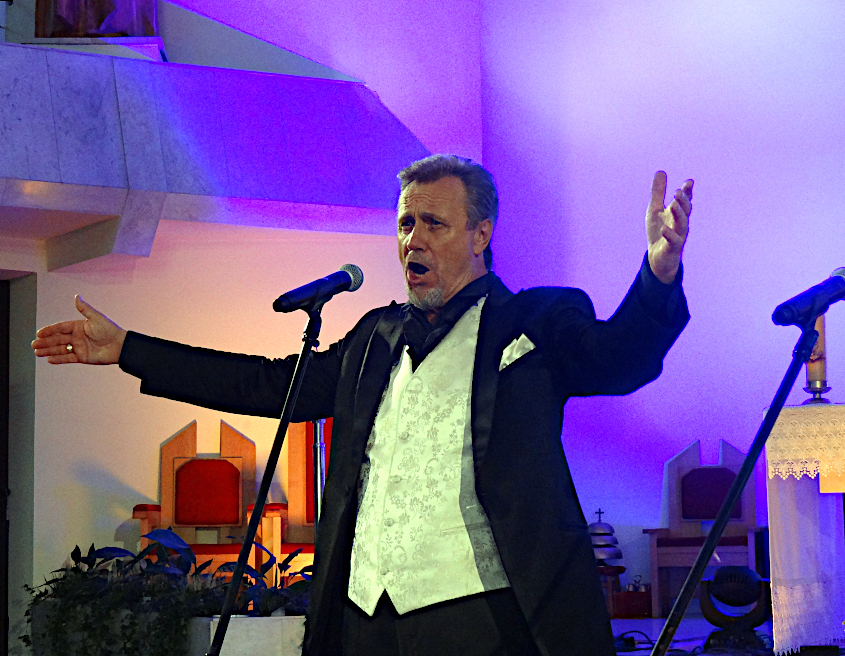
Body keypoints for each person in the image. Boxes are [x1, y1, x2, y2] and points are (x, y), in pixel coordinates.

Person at [32, 155, 692, 656]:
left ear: (480, 234)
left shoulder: (534, 320)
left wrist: (657, 276)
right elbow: (267, 385)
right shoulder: (374, 337)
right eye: (405, 223)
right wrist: (129, 349)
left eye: (433, 224)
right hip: (361, 619)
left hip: (481, 617)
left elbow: (619, 359)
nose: (412, 239)